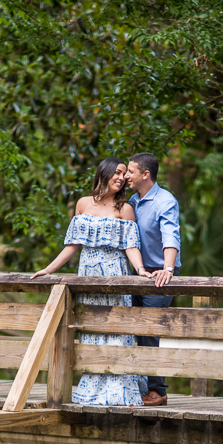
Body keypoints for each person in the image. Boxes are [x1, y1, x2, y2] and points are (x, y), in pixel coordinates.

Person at [31, 157, 151, 406]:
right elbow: (73, 245)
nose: (121, 177)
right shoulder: (83, 204)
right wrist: (49, 269)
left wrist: (140, 269)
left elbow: (131, 245)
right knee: (91, 328)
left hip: (115, 275)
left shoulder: (125, 209)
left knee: (116, 328)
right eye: (117, 173)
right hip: (88, 274)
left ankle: (120, 389)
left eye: (123, 174)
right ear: (103, 173)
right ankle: (93, 387)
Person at [125, 152, 181, 407]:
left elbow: (171, 236)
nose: (126, 175)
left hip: (159, 274)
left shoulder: (165, 201)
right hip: (136, 274)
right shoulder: (132, 202)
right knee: (133, 329)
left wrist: (167, 268)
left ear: (145, 175)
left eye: (130, 171)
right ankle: (137, 385)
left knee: (149, 331)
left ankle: (158, 391)